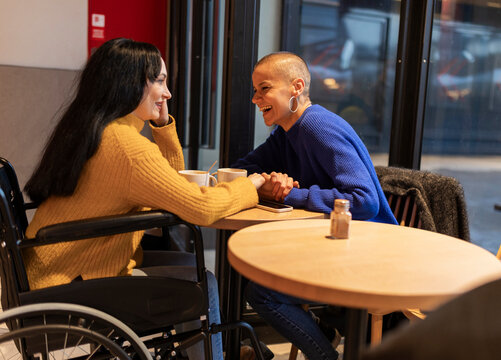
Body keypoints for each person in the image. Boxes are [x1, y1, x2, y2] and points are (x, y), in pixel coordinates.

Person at [22, 38, 265, 360]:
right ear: (131, 82)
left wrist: (162, 125)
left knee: (192, 269)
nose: (168, 93)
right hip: (73, 282)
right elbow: (201, 208)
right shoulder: (126, 146)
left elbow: (168, 181)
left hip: (49, 270)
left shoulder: (96, 128)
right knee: (199, 279)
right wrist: (253, 186)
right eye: (161, 81)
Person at [232, 52, 398, 360]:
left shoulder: (316, 127)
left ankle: (324, 354)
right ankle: (321, 334)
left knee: (263, 293)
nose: (255, 98)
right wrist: (269, 180)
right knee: (258, 267)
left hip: (370, 254)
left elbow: (364, 201)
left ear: (296, 87)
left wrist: (288, 194)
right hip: (337, 245)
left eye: (264, 88)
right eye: (254, 90)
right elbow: (243, 169)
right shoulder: (286, 132)